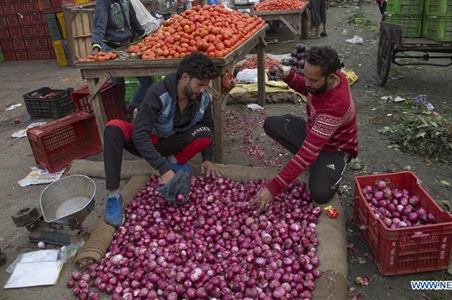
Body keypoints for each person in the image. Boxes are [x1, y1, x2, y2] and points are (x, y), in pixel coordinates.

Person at [103, 52, 223, 227]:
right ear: (185, 77)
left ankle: (174, 162)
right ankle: (113, 195)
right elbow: (139, 134)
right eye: (200, 85)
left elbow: (208, 125)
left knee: (205, 134)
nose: (203, 90)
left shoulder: (201, 98)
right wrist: (162, 169)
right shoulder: (158, 93)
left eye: (205, 85)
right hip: (150, 141)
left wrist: (207, 159)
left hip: (173, 143)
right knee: (113, 128)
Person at [250, 46, 358, 215]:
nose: (308, 83)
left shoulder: (336, 105)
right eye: (305, 76)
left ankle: (326, 164)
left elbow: (307, 153)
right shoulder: (322, 81)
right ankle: (314, 161)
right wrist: (290, 77)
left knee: (320, 194)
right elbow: (307, 89)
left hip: (335, 149)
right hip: (314, 132)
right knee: (271, 124)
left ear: (331, 77)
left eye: (313, 80)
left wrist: (273, 188)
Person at [91, 0, 153, 122]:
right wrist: (96, 47)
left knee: (147, 81)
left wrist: (146, 37)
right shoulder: (103, 3)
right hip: (110, 49)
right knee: (118, 88)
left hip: (126, 48)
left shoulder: (126, 1)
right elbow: (100, 25)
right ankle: (125, 119)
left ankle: (132, 107)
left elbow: (133, 20)